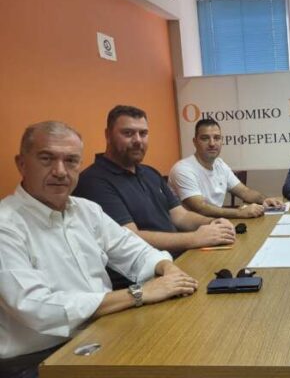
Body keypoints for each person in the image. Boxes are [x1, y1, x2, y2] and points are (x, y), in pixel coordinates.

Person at [0, 121, 198, 378]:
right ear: (22, 164)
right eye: (46, 159)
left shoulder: (87, 210)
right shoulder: (6, 225)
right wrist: (139, 294)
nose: (60, 171)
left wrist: (168, 269)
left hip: (100, 334)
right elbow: (37, 308)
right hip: (38, 361)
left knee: (188, 348)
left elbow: (136, 251)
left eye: (71, 161)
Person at [73, 106, 235, 287]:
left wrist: (213, 222)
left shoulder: (150, 173)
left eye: (143, 133)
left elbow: (180, 216)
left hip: (180, 263)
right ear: (108, 135)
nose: (137, 140)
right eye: (128, 133)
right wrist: (195, 238)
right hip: (143, 281)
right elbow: (130, 238)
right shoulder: (94, 181)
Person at [169, 119, 284, 219]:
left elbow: (245, 192)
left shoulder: (220, 164)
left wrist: (265, 200)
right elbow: (200, 208)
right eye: (205, 138)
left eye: (217, 138)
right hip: (191, 230)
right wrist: (240, 212)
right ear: (195, 142)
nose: (212, 143)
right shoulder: (183, 169)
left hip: (215, 223)